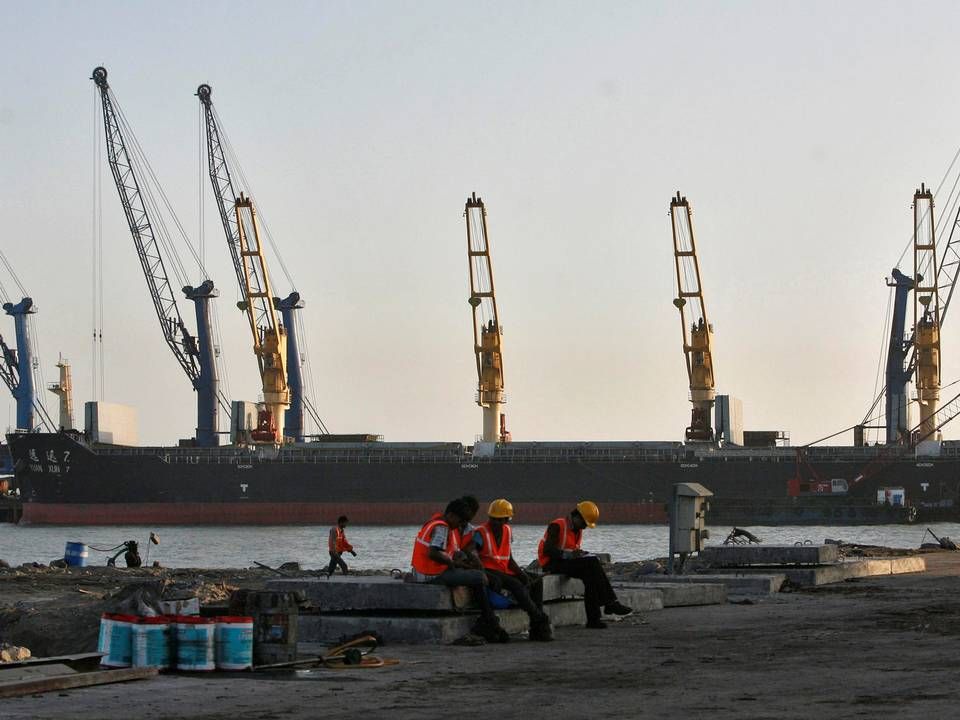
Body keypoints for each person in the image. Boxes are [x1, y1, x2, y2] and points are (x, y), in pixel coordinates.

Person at [411, 499, 508, 642]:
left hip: (423, 571)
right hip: (432, 574)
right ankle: (488, 620)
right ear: (451, 515)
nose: (461, 525)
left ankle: (488, 618)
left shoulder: (435, 522)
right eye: (460, 521)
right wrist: (451, 563)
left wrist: (461, 564)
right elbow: (433, 553)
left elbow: (443, 554)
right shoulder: (442, 528)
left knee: (475, 575)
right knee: (479, 578)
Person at [464, 498, 553, 641]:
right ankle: (539, 618)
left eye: (500, 520)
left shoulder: (507, 531)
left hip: (504, 570)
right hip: (488, 571)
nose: (497, 523)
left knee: (534, 582)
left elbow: (509, 559)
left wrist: (521, 573)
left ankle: (536, 627)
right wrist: (477, 562)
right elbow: (470, 549)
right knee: (516, 585)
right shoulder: (481, 532)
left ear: (507, 520)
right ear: (490, 517)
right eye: (494, 519)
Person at [537, 501, 632, 629]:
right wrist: (570, 555)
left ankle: (594, 620)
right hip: (551, 563)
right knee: (592, 563)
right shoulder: (557, 525)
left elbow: (571, 550)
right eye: (584, 523)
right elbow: (548, 550)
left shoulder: (577, 530)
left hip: (565, 563)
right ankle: (610, 603)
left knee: (591, 577)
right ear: (577, 516)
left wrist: (579, 554)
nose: (585, 527)